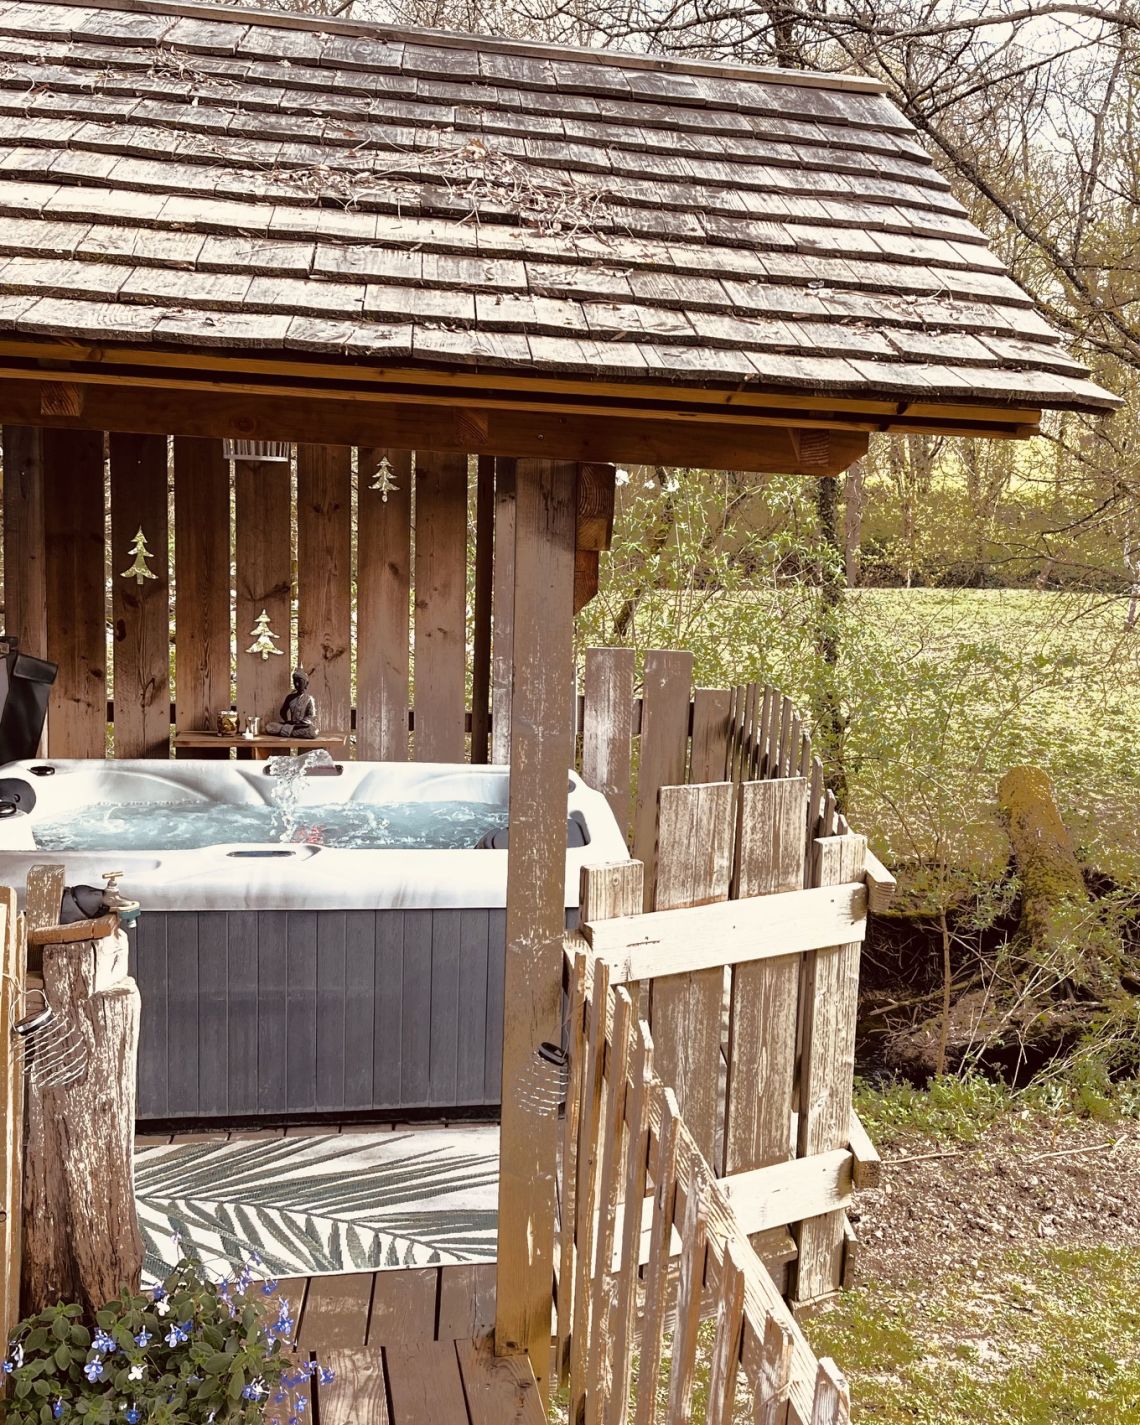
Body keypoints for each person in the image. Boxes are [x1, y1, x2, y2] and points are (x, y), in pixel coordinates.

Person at [266, 668, 318, 738]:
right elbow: (283, 711)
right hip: (291, 725)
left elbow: (311, 716)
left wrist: (300, 723)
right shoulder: (290, 697)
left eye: (299, 681)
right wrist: (287, 721)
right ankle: (291, 732)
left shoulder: (309, 699)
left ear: (306, 683)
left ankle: (287, 732)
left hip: (302, 726)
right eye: (295, 681)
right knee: (269, 726)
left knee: (313, 732)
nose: (296, 684)